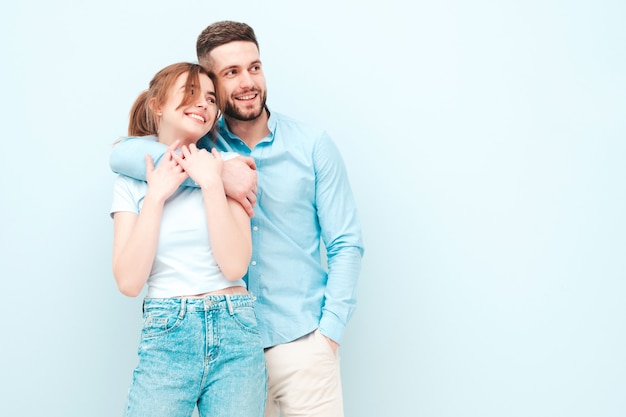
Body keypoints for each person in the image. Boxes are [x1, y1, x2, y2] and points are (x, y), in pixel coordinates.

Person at [110, 21, 364, 417]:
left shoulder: (312, 145)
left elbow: (346, 243)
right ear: (212, 84)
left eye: (255, 67)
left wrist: (328, 334)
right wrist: (216, 174)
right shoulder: (208, 147)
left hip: (301, 341)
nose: (248, 82)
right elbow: (123, 155)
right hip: (236, 341)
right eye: (231, 73)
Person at [110, 62, 266, 417]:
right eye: (192, 93)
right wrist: (155, 197)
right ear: (157, 105)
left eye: (211, 99)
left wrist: (212, 182)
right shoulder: (131, 179)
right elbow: (129, 281)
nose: (205, 105)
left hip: (235, 329)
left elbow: (235, 265)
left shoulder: (229, 170)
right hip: (168, 331)